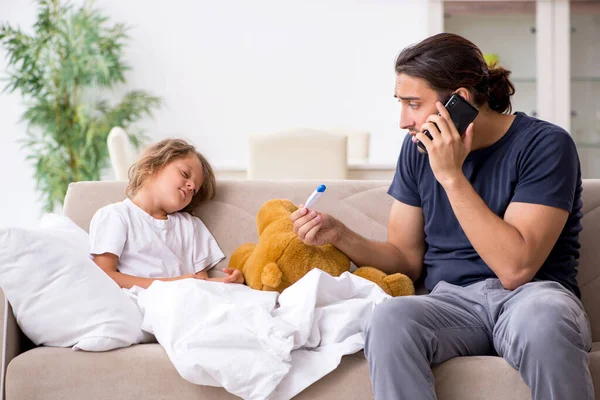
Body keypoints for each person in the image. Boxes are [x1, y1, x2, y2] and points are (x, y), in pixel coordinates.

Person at [290, 33, 593, 399]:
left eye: (413, 104)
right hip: (452, 303)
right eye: (400, 104)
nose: (404, 121)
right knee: (388, 319)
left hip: (533, 297)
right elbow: (405, 259)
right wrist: (340, 235)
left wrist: (452, 175)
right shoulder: (416, 151)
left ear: (459, 100)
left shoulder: (545, 144)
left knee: (544, 322)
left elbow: (516, 269)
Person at [90, 138, 244, 289]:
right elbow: (104, 275)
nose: (191, 186)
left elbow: (201, 283)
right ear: (154, 166)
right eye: (185, 174)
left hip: (189, 302)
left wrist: (230, 282)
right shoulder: (116, 216)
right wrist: (173, 284)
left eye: (195, 190)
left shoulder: (190, 225)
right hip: (147, 304)